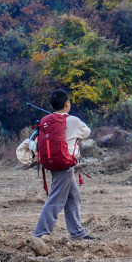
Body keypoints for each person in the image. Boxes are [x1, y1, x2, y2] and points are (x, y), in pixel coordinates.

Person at [33, 89, 96, 241]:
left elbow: (36, 144)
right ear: (67, 103)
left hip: (54, 163)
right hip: (65, 165)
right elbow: (87, 132)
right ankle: (40, 235)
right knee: (55, 200)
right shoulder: (73, 120)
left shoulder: (46, 121)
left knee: (73, 197)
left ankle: (78, 234)